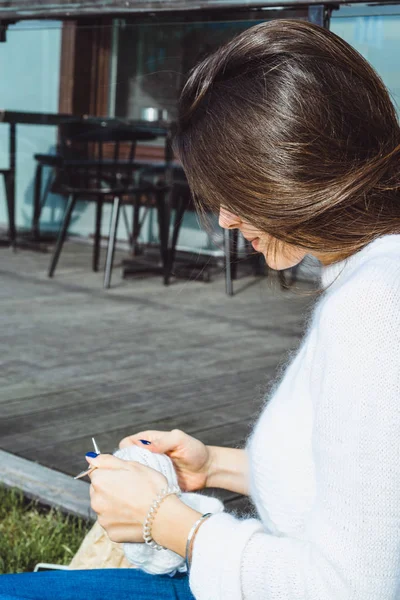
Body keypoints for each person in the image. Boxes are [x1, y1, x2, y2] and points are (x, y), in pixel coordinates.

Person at [2, 17, 400, 600]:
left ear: (292, 171)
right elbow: (364, 490)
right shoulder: (369, 279)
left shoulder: (373, 308)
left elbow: (351, 587)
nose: (225, 221)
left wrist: (167, 522)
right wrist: (210, 466)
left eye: (234, 192)